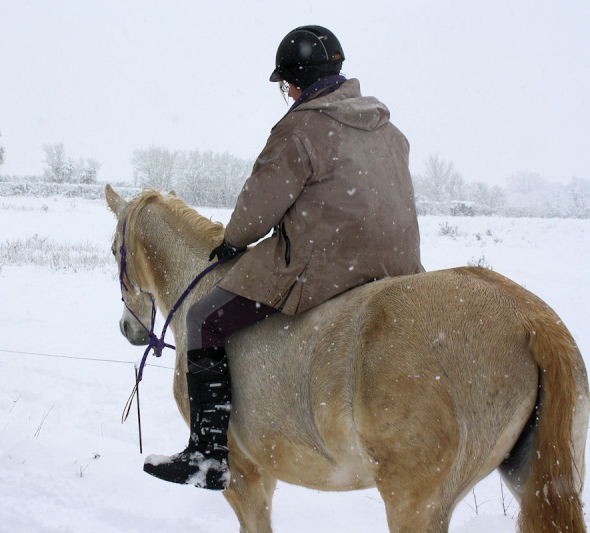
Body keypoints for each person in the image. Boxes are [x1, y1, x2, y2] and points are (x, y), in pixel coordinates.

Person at [143, 25, 424, 490]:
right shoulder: (390, 130)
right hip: (399, 268)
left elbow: (260, 204)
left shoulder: (300, 128)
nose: (287, 93)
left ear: (300, 80)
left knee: (202, 320)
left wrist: (234, 240)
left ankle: (208, 455)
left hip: (325, 267)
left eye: (286, 84)